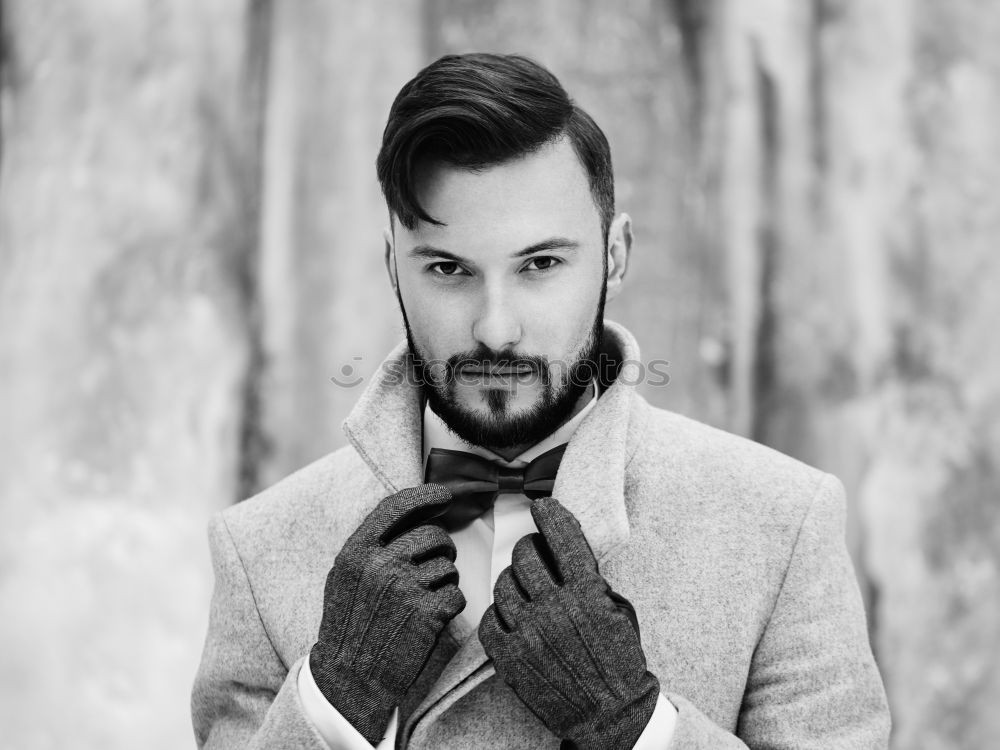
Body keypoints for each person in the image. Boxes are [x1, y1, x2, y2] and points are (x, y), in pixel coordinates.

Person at [191, 53, 890, 749]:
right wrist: (333, 700)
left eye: (541, 264)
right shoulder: (259, 548)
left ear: (615, 254)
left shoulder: (782, 524)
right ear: (391, 268)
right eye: (447, 269)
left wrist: (633, 724)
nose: (496, 328)